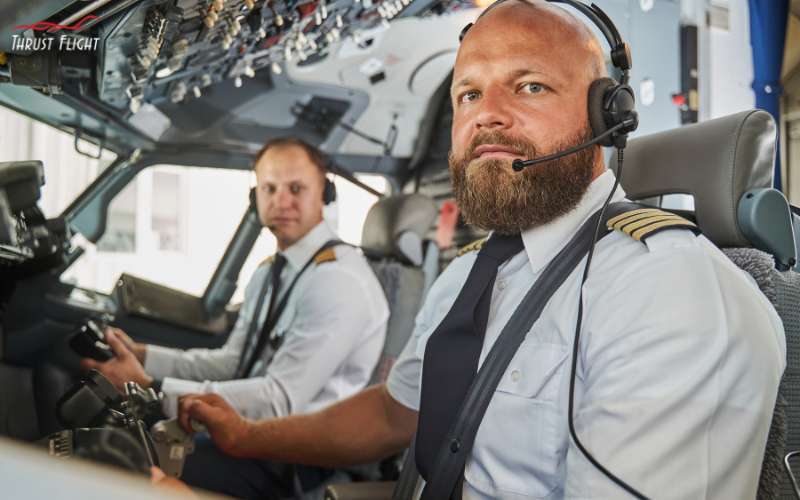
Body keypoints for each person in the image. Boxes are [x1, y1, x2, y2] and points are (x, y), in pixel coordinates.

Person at [174, 2, 786, 498]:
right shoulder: (469, 274)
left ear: (608, 116)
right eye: (469, 94)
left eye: (530, 85)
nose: (486, 116)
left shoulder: (667, 293)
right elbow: (393, 416)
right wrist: (247, 437)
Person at [83, 137, 389, 498]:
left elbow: (279, 400)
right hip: (250, 434)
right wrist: (144, 354)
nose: (281, 201)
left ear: (324, 194)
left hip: (294, 459)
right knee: (114, 442)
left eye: (296, 188)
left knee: (122, 463)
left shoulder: (339, 280)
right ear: (254, 197)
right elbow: (232, 362)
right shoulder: (272, 272)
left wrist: (153, 388)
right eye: (269, 188)